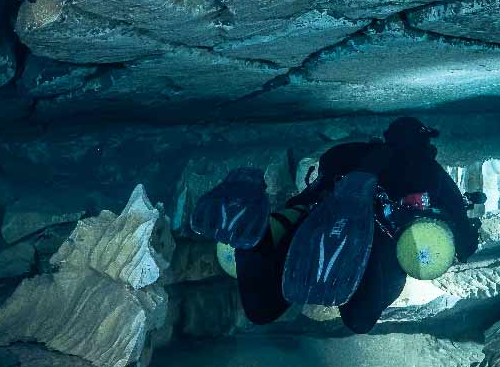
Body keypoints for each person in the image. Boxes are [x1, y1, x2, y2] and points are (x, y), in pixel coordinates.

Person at [192, 117, 482, 334]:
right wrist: (467, 241)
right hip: (372, 238)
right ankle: (354, 224)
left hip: (313, 219)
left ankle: (250, 240)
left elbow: (311, 190)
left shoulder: (347, 153)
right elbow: (459, 223)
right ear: (422, 142)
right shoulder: (428, 170)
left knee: (261, 309)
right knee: (360, 319)